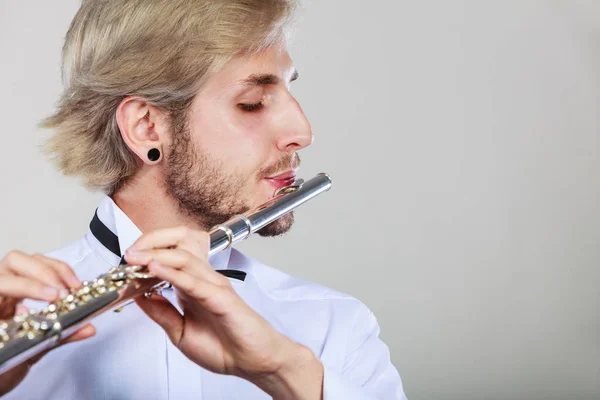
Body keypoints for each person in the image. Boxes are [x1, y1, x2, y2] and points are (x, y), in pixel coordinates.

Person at [0, 0, 406, 398]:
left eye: (288, 91)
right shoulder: (17, 318)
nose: (302, 131)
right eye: (253, 103)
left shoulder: (335, 326)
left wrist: (288, 373)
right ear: (146, 127)